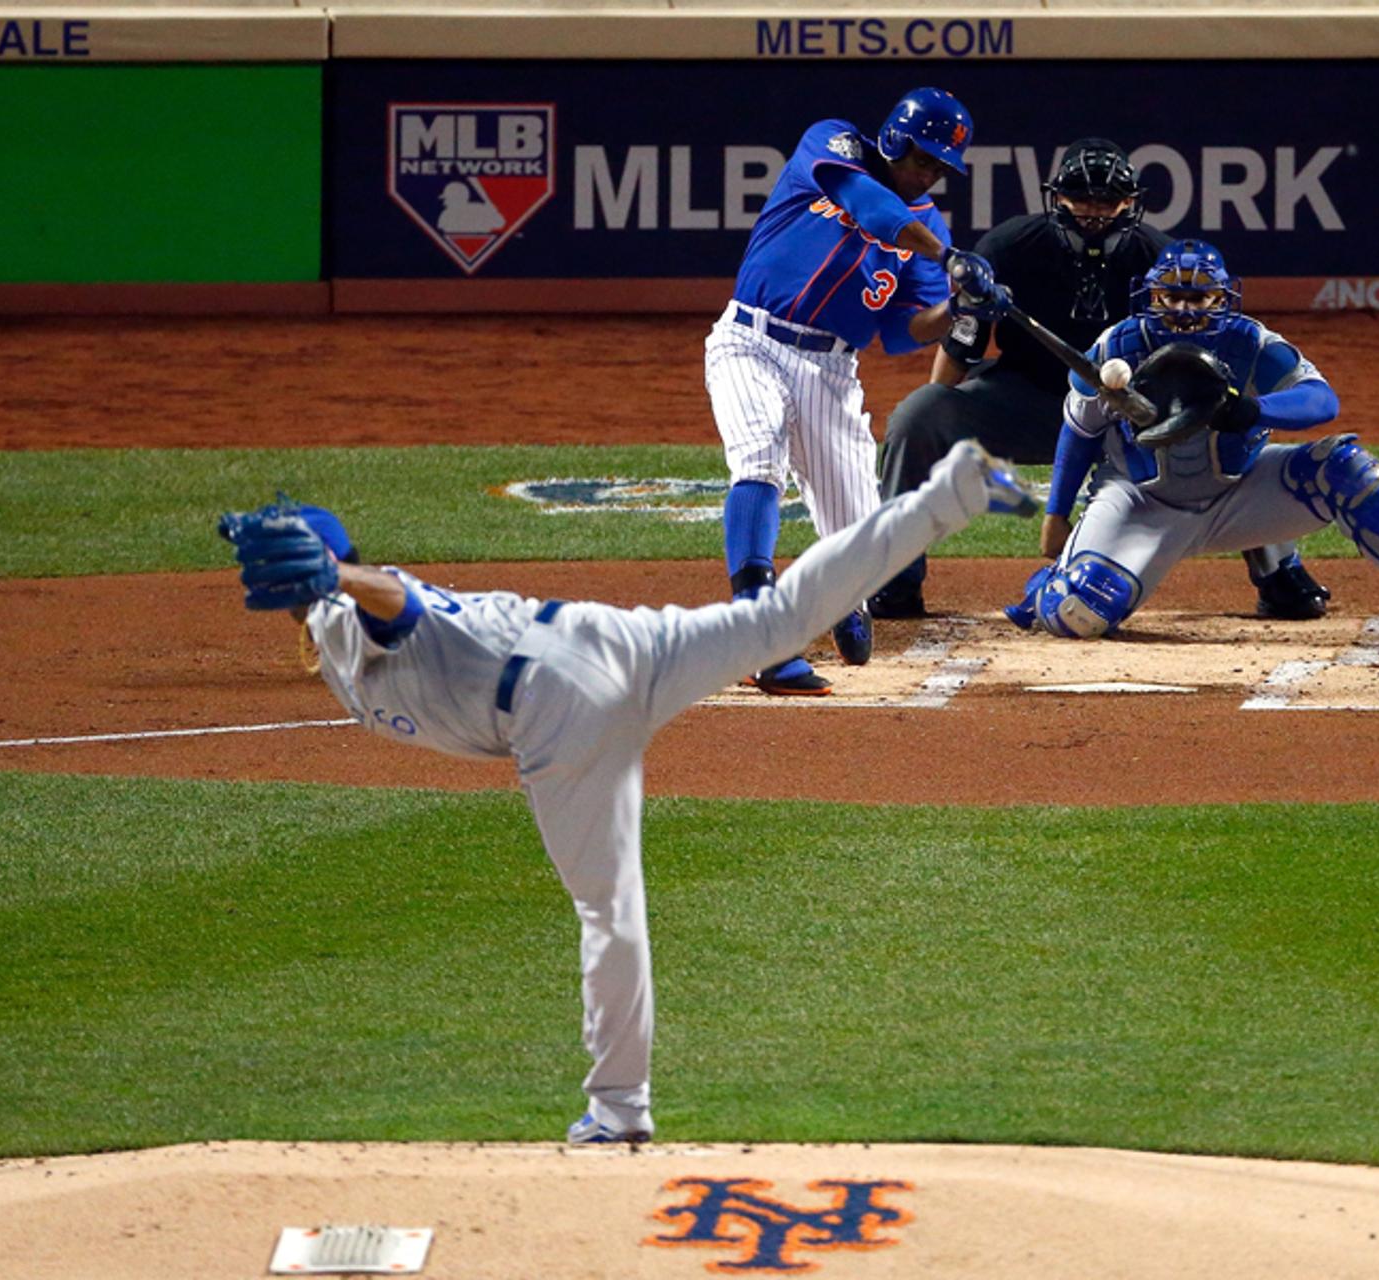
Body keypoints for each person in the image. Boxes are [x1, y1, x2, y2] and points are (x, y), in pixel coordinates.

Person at [217, 442, 1037, 1145]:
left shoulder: (354, 608)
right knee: (781, 620)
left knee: (608, 908)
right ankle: (950, 493)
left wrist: (336, 576)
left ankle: (618, 1112)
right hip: (609, 640)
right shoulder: (334, 621)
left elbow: (398, 606)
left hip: (556, 705)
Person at [868, 137, 1329, 625]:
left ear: (1130, 203)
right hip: (1027, 400)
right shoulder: (1008, 248)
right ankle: (896, 582)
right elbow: (960, 350)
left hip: (1133, 418)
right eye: (1082, 198)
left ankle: (1279, 572)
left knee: (1228, 417)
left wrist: (1203, 409)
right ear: (1056, 197)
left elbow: (1210, 358)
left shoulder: (1161, 259)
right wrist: (942, 410)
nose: (1095, 211)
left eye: (1108, 200)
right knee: (919, 414)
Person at [1005, 238, 1379, 650]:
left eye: (1200, 297)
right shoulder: (1118, 347)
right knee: (1080, 612)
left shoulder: (1251, 343)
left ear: (1222, 298)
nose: (1186, 309)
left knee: (1347, 466)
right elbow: (1081, 429)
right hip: (1141, 501)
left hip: (1237, 494)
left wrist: (1253, 410)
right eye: (1173, 297)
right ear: (1152, 297)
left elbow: (1323, 401)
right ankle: (1051, 585)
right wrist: (1056, 512)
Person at [704, 86, 1008, 696]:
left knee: (860, 542)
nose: (927, 176)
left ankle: (844, 598)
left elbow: (903, 329)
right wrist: (949, 256)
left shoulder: (928, 223)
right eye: (921, 160)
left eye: (939, 169)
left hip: (832, 374)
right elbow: (869, 208)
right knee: (759, 458)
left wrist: (961, 309)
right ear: (894, 139)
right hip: (750, 341)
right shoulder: (834, 142)